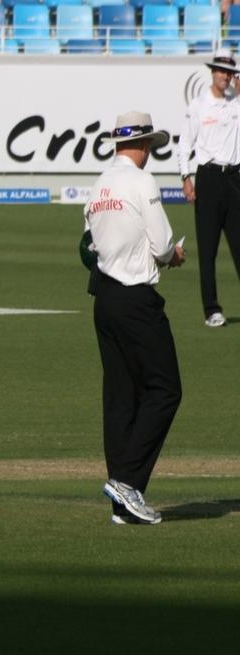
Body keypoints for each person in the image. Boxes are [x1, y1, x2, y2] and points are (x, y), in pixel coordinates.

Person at [85, 112, 185, 525]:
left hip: (103, 298)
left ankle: (122, 503)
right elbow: (162, 245)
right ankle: (127, 482)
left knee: (121, 396)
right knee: (165, 390)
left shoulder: (98, 185)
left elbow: (89, 244)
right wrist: (174, 255)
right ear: (145, 146)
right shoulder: (141, 181)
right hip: (135, 298)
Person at [177, 49, 240, 327]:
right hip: (209, 178)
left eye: (230, 71)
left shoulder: (237, 102)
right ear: (212, 72)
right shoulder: (198, 104)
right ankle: (211, 309)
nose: (226, 76)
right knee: (208, 249)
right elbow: (184, 144)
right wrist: (185, 177)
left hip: (235, 178)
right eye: (221, 70)